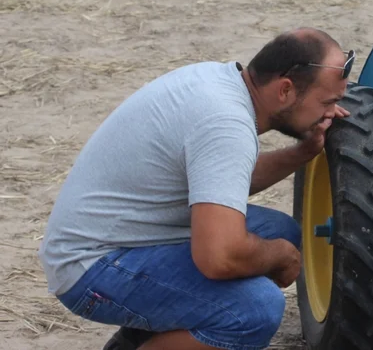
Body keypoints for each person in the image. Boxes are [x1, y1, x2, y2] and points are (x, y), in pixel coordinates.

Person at [38, 28, 353, 350]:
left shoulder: (218, 82)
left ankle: (139, 340)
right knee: (253, 310)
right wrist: (281, 256)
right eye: (327, 101)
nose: (331, 112)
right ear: (285, 90)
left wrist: (301, 153)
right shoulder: (226, 124)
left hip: (124, 236)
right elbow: (220, 258)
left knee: (278, 230)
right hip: (91, 267)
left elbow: (219, 179)